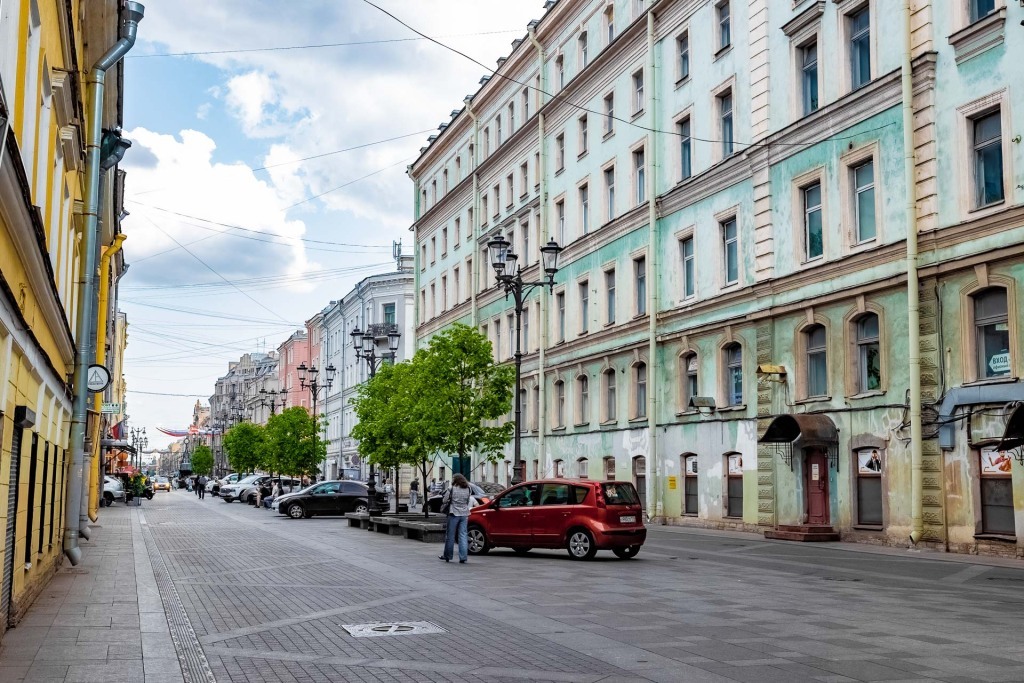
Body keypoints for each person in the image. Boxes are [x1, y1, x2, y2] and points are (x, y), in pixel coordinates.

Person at [439, 474, 476, 564]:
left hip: (453, 513)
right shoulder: (468, 488)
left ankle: (448, 556)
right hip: (464, 514)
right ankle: (463, 557)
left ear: (455, 480)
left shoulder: (451, 488)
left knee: (450, 536)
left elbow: (444, 500)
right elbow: (467, 501)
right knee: (463, 535)